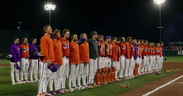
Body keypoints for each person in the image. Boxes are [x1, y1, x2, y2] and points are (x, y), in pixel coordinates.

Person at [38, 25, 55, 95]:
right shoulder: (44, 38)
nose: (51, 29)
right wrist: (47, 60)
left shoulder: (50, 38)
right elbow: (44, 50)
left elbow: (50, 50)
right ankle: (39, 93)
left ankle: (44, 91)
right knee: (43, 77)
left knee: (48, 76)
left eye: (51, 28)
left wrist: (52, 60)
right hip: (45, 61)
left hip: (50, 60)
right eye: (49, 28)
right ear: (45, 30)